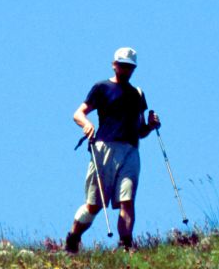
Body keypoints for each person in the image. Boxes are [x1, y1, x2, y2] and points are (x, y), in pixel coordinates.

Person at [65, 47, 160, 253]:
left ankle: (126, 245)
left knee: (127, 201)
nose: (126, 70)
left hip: (130, 151)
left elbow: (140, 130)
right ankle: (73, 237)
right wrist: (86, 125)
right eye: (122, 66)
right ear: (114, 65)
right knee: (94, 205)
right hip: (104, 148)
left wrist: (151, 126)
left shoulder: (137, 94)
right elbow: (78, 113)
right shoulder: (102, 88)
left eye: (129, 67)